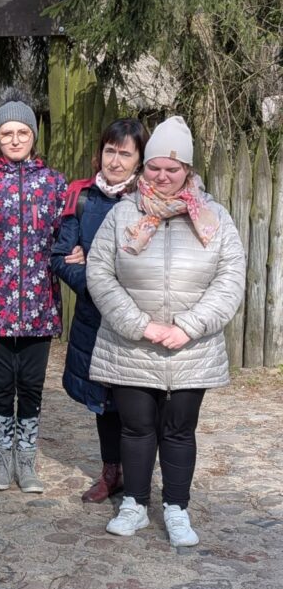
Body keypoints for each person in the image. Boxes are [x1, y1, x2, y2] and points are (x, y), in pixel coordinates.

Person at [86, 116, 245, 547]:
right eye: (154, 167)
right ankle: (135, 504)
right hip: (132, 344)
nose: (162, 176)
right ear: (144, 168)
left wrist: (188, 327)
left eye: (172, 169)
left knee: (179, 430)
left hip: (191, 348)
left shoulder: (214, 219)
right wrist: (140, 325)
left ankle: (176, 508)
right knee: (136, 428)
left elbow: (231, 277)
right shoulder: (123, 215)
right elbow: (100, 273)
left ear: (188, 171)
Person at [51, 118, 149, 502]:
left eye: (126, 153)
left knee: (136, 404)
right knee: (103, 402)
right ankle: (111, 473)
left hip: (136, 319)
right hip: (95, 316)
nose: (116, 161)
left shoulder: (150, 202)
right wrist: (93, 279)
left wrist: (92, 263)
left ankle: (137, 479)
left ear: (139, 159)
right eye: (111, 151)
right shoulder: (83, 198)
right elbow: (61, 257)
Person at [0, 94, 67, 493]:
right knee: (0, 386)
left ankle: (26, 459)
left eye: (22, 132)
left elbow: (66, 238)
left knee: (30, 385)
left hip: (39, 306)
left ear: (33, 135)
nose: (14, 139)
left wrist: (75, 250)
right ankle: (1, 458)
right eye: (7, 133)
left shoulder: (53, 182)